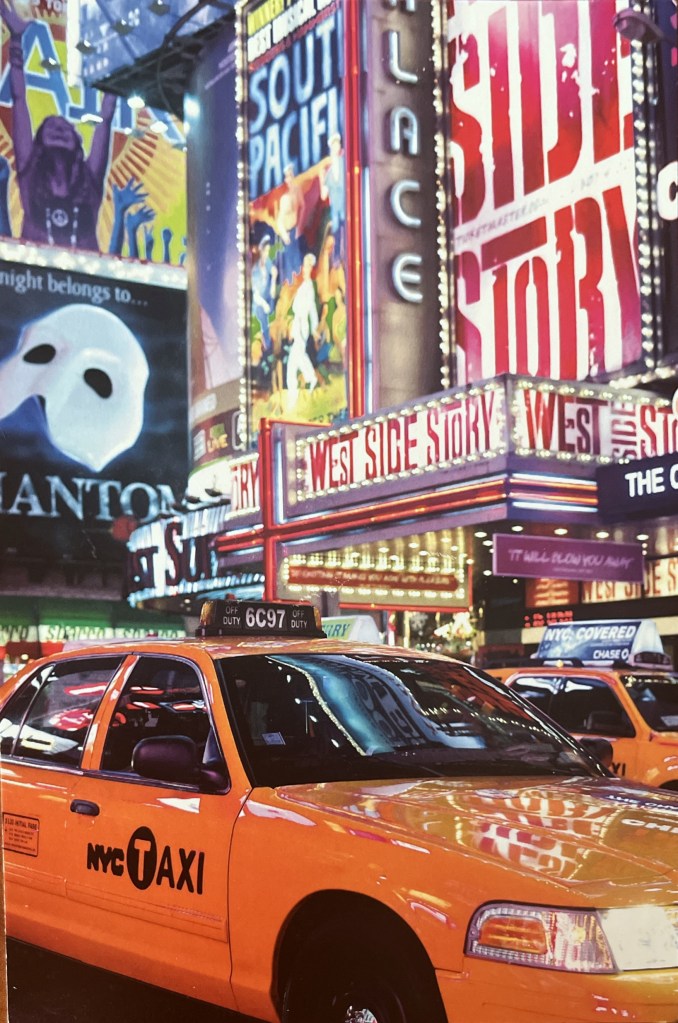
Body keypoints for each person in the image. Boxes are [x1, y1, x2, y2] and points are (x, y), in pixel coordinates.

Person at [0, 0, 116, 250]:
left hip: (92, 285)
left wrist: (115, 59)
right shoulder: (29, 172)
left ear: (77, 142)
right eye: (52, 129)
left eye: (64, 129)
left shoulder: (90, 179)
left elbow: (105, 119)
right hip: (31, 281)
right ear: (39, 143)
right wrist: (16, 39)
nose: (60, 130)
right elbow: (19, 100)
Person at [286, 253, 319, 408]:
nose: (304, 269)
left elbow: (311, 308)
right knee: (298, 358)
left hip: (302, 326)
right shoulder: (302, 287)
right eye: (304, 265)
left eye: (307, 266)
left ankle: (297, 390)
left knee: (294, 361)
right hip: (298, 325)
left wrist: (314, 327)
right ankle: (310, 379)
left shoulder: (309, 287)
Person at [319, 132, 346, 266]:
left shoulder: (345, 163)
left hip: (347, 207)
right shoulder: (328, 173)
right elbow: (324, 195)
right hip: (336, 209)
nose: (336, 147)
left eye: (338, 144)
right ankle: (337, 258)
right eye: (334, 145)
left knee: (346, 229)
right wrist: (321, 178)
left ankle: (346, 255)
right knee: (336, 232)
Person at [251, 234, 278, 354]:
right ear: (260, 250)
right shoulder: (255, 271)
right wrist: (264, 304)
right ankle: (267, 346)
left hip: (267, 296)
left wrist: (273, 282)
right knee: (263, 316)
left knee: (273, 305)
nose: (266, 254)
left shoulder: (267, 262)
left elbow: (273, 272)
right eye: (265, 251)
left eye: (268, 251)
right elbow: (255, 296)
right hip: (258, 302)